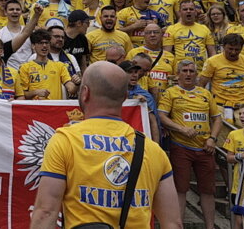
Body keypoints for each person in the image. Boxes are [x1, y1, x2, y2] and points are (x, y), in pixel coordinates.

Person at [30, 61, 180, 228]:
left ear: (85, 93)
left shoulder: (65, 140)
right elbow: (173, 223)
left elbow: (45, 212)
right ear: (124, 97)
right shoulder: (152, 149)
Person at [160, 59, 223, 228]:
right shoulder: (170, 92)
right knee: (180, 189)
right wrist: (180, 128)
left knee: (208, 190)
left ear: (197, 74)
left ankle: (210, 226)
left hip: (205, 148)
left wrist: (213, 138)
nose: (188, 74)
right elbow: (162, 116)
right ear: (178, 73)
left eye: (192, 71)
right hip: (181, 146)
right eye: (185, 71)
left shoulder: (205, 93)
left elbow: (217, 118)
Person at [223, 103, 244, 227]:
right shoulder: (234, 134)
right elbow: (228, 158)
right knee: (239, 221)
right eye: (240, 113)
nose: (241, 116)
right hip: (239, 186)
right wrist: (240, 156)